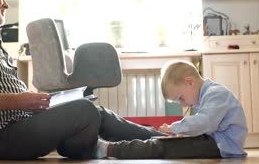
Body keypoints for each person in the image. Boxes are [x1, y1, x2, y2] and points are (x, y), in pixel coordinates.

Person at [0, 0, 165, 160]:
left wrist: (32, 101)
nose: (6, 3)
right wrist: (20, 100)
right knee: (85, 110)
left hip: (22, 125)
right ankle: (113, 146)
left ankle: (161, 138)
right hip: (0, 138)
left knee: (94, 110)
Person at [95, 59, 248, 159]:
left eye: (180, 98)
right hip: (212, 140)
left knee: (163, 147)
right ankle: (106, 123)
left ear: (190, 82)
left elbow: (204, 123)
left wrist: (174, 127)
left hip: (219, 146)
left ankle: (109, 149)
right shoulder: (210, 94)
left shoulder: (216, 94)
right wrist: (173, 130)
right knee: (157, 136)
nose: (182, 104)